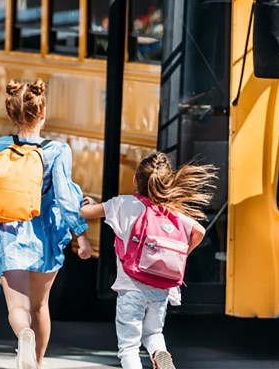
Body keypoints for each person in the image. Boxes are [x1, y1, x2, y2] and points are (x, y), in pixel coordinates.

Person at [0, 79, 92, 369]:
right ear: (42, 113)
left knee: (18, 307)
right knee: (40, 306)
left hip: (9, 234)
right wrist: (81, 236)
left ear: (11, 114)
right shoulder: (58, 151)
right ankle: (37, 362)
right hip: (46, 236)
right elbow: (66, 199)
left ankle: (23, 335)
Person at [80, 151, 216, 369]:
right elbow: (199, 231)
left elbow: (85, 212)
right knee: (153, 333)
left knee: (129, 347)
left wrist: (90, 202)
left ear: (135, 180)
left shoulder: (123, 204)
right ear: (166, 183)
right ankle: (160, 353)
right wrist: (182, 254)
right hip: (160, 288)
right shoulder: (171, 212)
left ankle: (155, 355)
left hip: (131, 288)